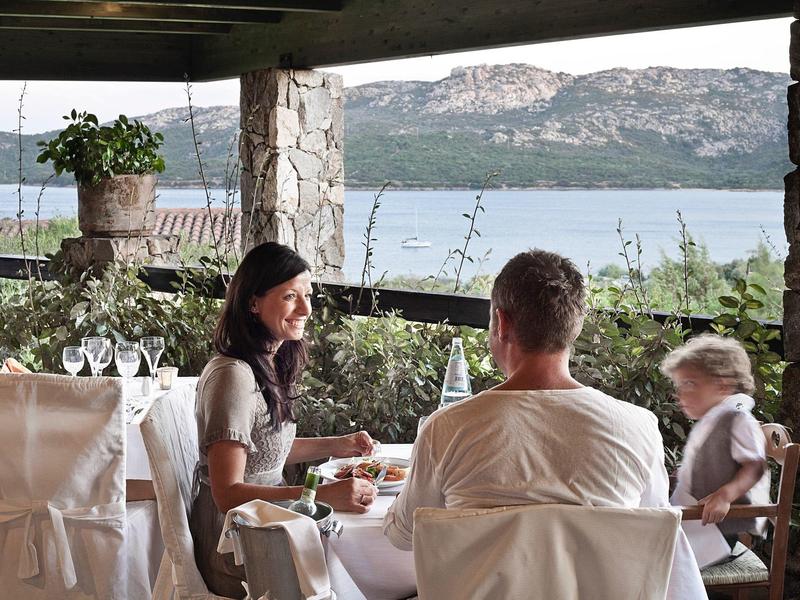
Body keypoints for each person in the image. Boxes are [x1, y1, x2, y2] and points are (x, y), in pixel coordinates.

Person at [383, 248, 706, 598]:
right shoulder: (637, 426)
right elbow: (649, 526)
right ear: (574, 327)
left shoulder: (447, 428)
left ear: (501, 324)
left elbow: (403, 536)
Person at [189, 242, 379, 598]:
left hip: (272, 522)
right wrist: (320, 494)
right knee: (368, 561)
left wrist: (339, 445)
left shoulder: (268, 363)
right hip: (238, 542)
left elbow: (264, 452)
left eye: (307, 295)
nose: (305, 308)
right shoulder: (233, 376)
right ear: (254, 302)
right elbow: (227, 494)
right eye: (291, 296)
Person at [661, 334, 769, 567]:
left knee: (656, 561)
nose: (680, 395)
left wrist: (724, 495)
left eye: (689, 384)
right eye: (678, 386)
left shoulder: (738, 419)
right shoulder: (712, 421)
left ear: (722, 385)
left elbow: (755, 465)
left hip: (715, 530)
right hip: (693, 519)